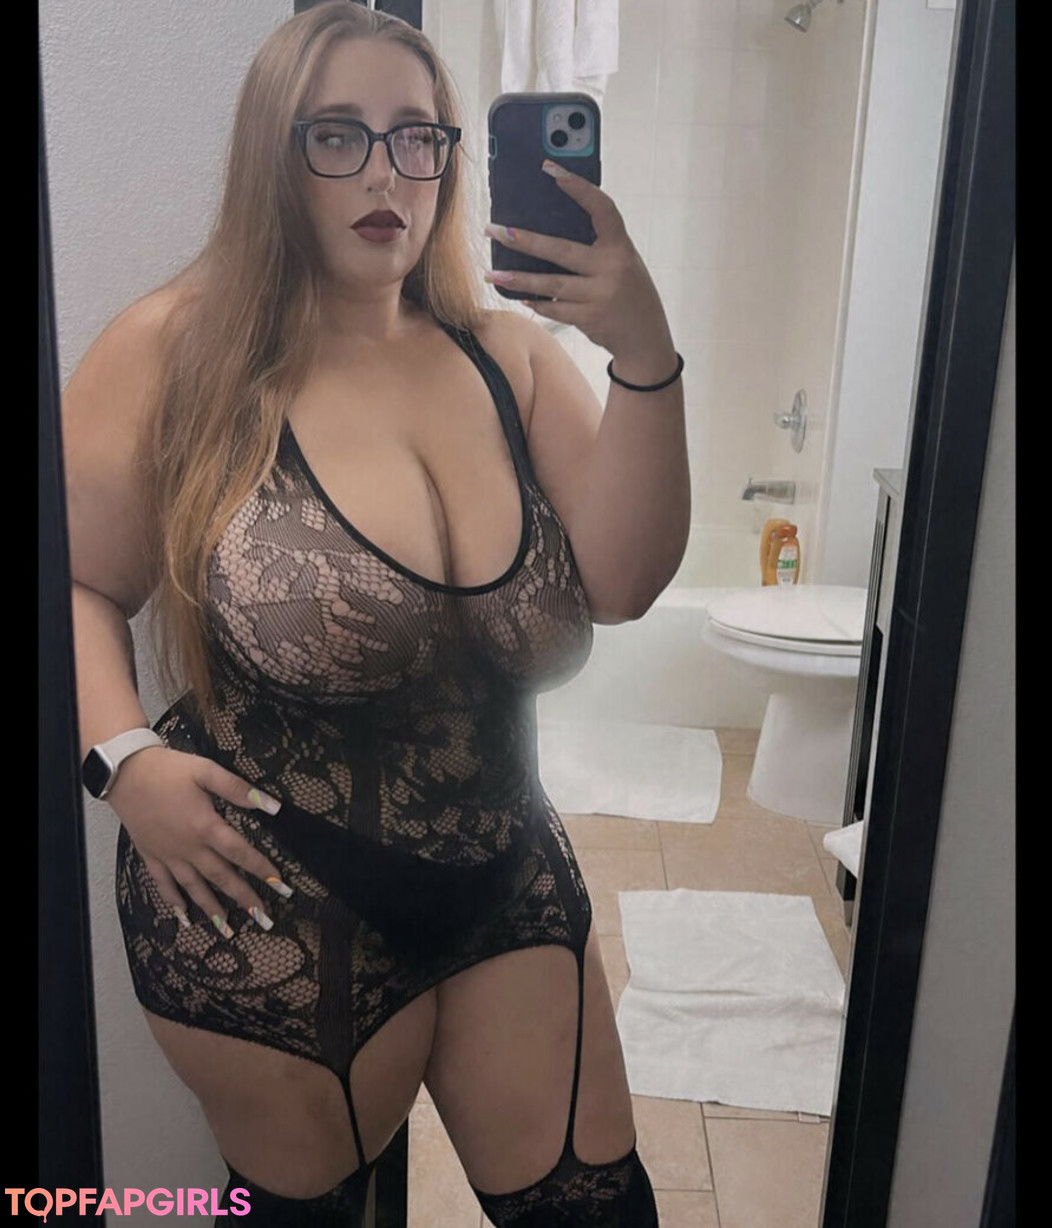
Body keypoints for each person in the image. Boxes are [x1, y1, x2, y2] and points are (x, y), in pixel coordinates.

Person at [64, 4, 689, 1224]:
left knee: (600, 1210)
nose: (385, 172)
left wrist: (644, 353)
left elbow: (625, 583)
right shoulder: (178, 353)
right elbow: (77, 581)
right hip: (268, 897)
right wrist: (123, 761)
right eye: (337, 134)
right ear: (274, 154)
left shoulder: (508, 359)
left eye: (417, 136)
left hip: (506, 870)